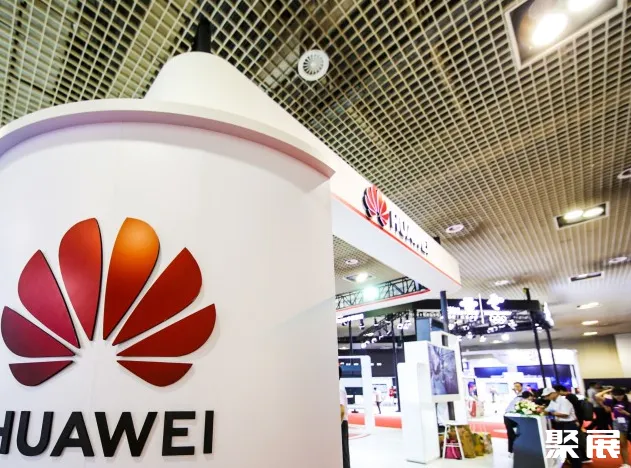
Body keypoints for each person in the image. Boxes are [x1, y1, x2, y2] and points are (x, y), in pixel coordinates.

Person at [542, 388, 582, 468]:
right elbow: (547, 410)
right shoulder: (553, 401)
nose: (547, 397)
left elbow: (565, 414)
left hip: (569, 424)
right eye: (546, 396)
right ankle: (571, 462)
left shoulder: (564, 401)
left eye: (548, 395)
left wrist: (550, 413)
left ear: (554, 393)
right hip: (560, 425)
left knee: (571, 446)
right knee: (563, 445)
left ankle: (577, 465)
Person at [554, 385, 591, 464]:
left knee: (574, 441)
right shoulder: (570, 397)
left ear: (560, 391)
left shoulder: (569, 398)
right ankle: (579, 458)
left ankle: (581, 458)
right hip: (575, 420)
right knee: (574, 440)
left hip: (573, 421)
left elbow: (571, 412)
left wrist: (576, 421)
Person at [597, 387, 630, 468]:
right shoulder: (612, 402)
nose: (618, 397)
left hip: (628, 424)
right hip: (617, 424)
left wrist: (625, 413)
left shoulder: (628, 403)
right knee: (622, 444)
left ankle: (626, 464)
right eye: (616, 395)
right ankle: (626, 463)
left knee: (623, 444)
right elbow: (597, 396)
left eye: (620, 395)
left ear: (623, 395)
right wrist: (609, 390)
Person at [339, 367, 351, 468]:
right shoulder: (339, 387)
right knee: (343, 449)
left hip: (341, 422)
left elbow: (341, 409)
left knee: (343, 450)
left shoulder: (338, 388)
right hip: (342, 422)